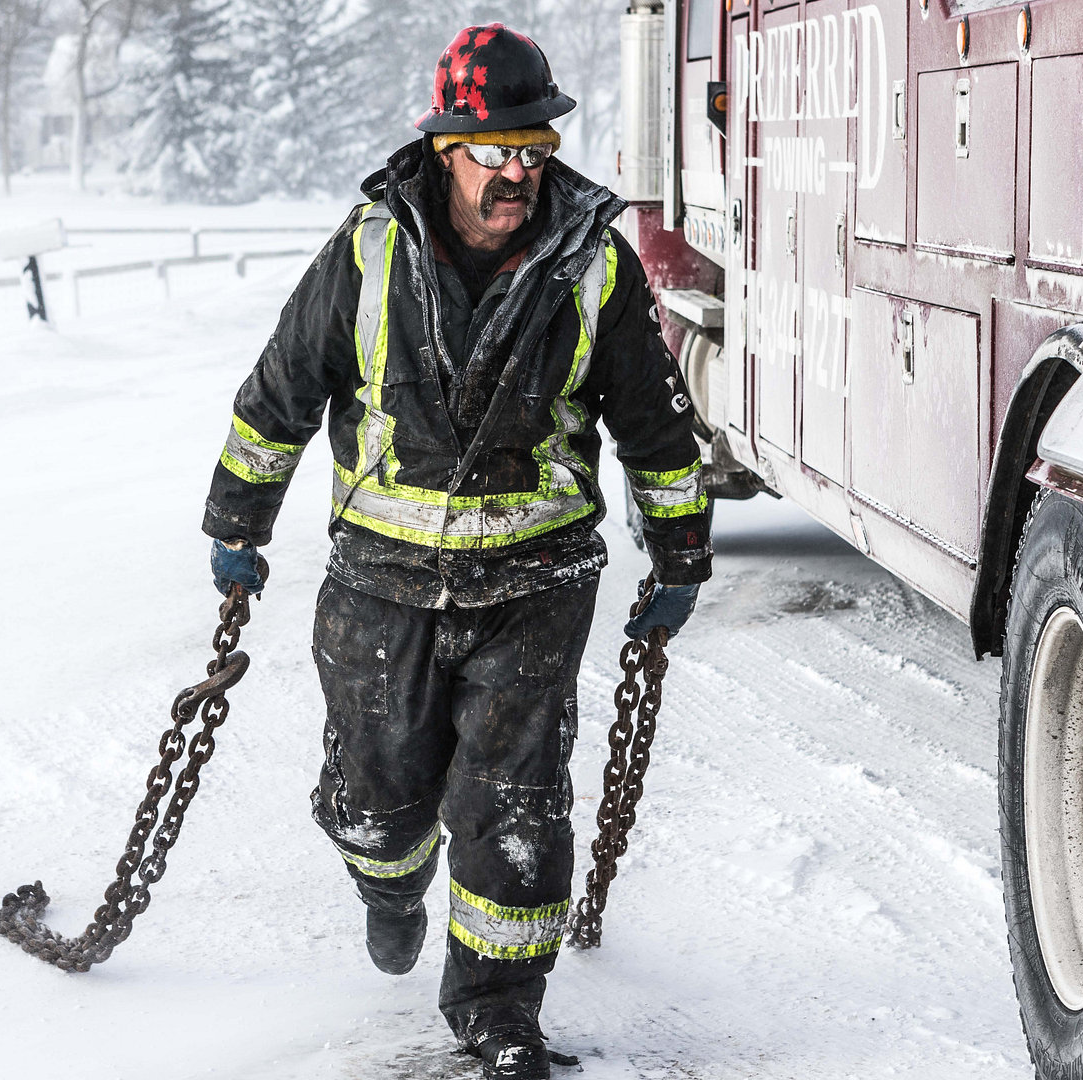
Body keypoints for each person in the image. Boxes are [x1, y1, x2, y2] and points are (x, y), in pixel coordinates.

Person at [203, 24, 712, 1080]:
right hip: (378, 581)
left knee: (513, 807)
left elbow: (655, 424)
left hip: (536, 581)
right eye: (497, 153)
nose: (520, 173)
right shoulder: (366, 251)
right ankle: (389, 888)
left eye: (533, 148)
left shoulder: (593, 264)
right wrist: (237, 527)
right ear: (447, 153)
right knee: (376, 805)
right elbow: (278, 397)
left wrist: (678, 555)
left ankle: (497, 1010)